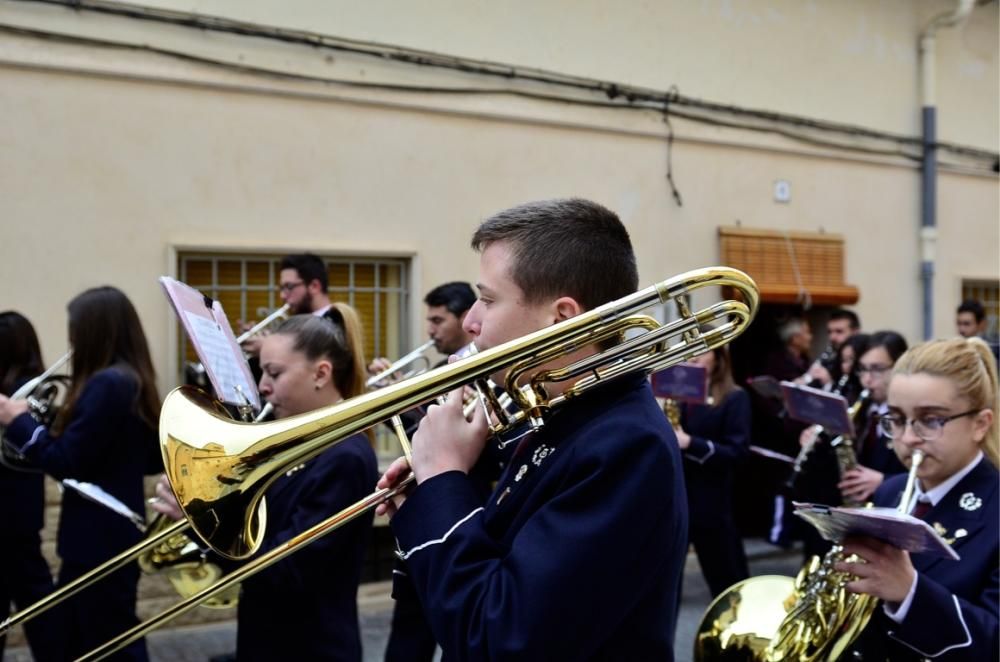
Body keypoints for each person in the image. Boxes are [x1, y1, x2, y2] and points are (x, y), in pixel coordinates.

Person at [376, 198, 688, 659]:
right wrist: (436, 494)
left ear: (560, 316)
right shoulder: (560, 412)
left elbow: (501, 637)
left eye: (487, 299)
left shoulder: (626, 444)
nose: (470, 322)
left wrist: (443, 479)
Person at [155, 306, 378, 661]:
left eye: (274, 372)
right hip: (269, 637)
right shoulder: (294, 439)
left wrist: (201, 528)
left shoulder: (344, 457)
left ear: (321, 373)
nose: (262, 386)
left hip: (309, 647)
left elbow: (288, 572)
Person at [0, 287, 161, 661]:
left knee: (106, 639)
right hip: (111, 532)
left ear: (94, 331)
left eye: (75, 329)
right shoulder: (132, 378)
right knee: (92, 634)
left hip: (95, 537)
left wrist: (19, 421)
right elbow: (145, 459)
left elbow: (66, 460)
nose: (71, 339)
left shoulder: (107, 384)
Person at [838, 337, 998, 660]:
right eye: (896, 419)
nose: (909, 438)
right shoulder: (891, 490)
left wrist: (910, 591)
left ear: (980, 425)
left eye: (931, 420)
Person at [0, 312, 61, 661]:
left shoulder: (30, 392)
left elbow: (33, 449)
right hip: (22, 511)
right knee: (34, 599)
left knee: (36, 600)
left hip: (14, 510)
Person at [673, 346, 751, 597]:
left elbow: (737, 452)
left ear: (719, 358)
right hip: (678, 499)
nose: (694, 356)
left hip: (712, 501)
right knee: (667, 585)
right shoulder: (676, 394)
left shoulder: (734, 397)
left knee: (727, 582)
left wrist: (690, 443)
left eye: (702, 350)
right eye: (689, 349)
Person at [838, 330, 909, 505]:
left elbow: (932, 475)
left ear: (899, 366)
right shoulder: (858, 410)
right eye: (862, 369)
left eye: (877, 369)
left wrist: (884, 481)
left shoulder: (912, 415)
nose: (867, 380)